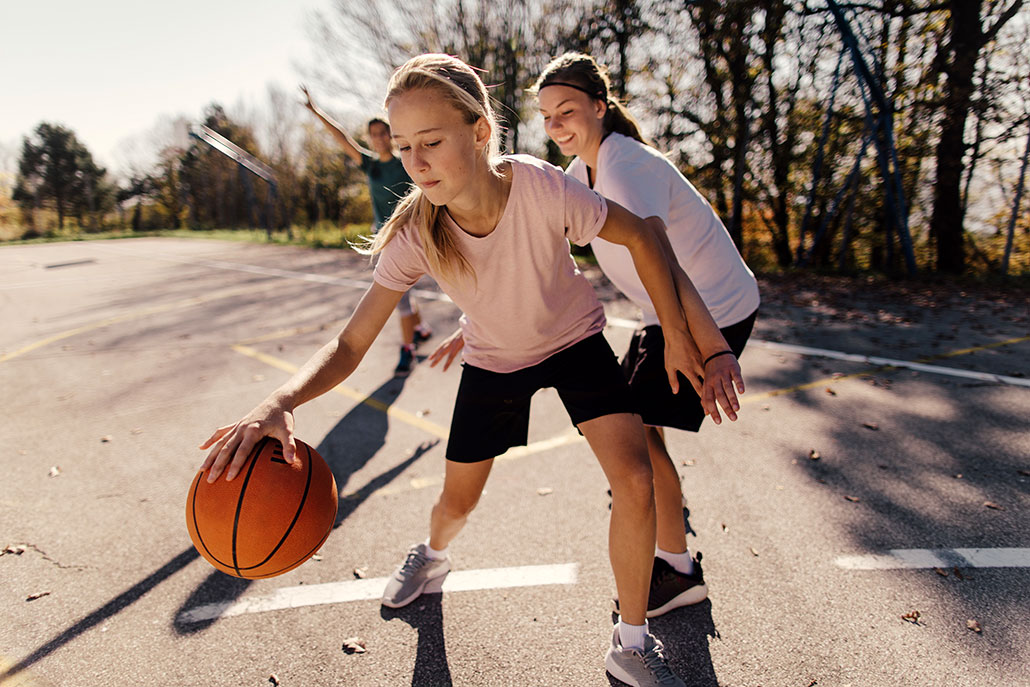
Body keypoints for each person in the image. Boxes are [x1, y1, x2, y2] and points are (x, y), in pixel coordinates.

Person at [203, 54, 735, 687]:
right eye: (403, 147)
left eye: (431, 142)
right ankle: (431, 557)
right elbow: (350, 345)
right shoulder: (416, 234)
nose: (415, 162)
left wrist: (680, 335)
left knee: (636, 477)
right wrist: (283, 400)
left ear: (480, 131)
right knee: (458, 500)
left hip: (574, 340)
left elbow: (645, 237)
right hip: (494, 361)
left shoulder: (540, 186)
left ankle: (630, 640)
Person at [536, 53, 760, 619]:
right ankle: (662, 526)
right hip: (665, 312)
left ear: (599, 107)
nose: (557, 124)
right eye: (546, 116)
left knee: (637, 437)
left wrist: (705, 345)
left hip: (710, 308)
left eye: (568, 110)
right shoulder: (578, 175)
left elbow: (662, 257)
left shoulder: (623, 166)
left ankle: (677, 569)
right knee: (642, 431)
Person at [301, 85, 431, 375]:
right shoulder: (370, 166)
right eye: (373, 135)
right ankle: (417, 334)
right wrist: (315, 111)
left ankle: (409, 347)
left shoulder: (406, 162)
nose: (379, 138)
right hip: (386, 238)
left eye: (383, 132)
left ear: (391, 134)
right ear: (370, 139)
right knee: (404, 294)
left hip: (412, 235)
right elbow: (341, 138)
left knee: (403, 295)